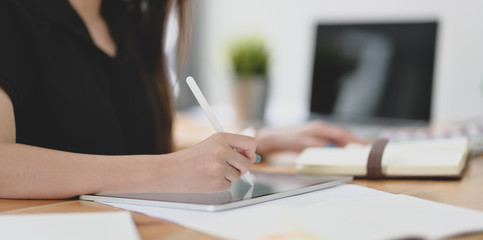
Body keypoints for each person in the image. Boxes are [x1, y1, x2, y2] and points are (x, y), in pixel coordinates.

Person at [0, 0, 362, 199]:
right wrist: (168, 170)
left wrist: (254, 142)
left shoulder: (131, 24)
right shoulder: (12, 17)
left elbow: (124, 145)